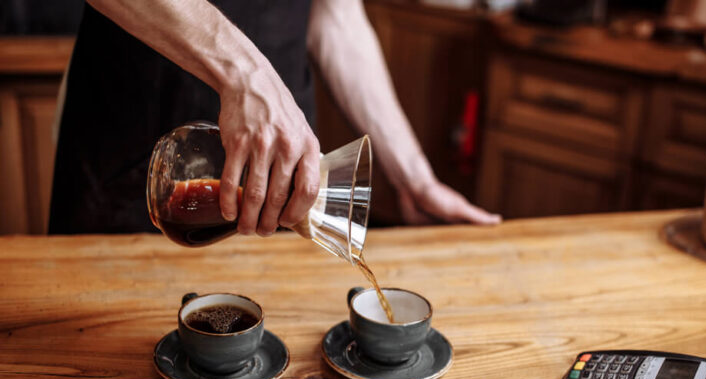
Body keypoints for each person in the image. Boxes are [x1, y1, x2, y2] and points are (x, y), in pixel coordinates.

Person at [49, 0, 500, 236]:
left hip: (278, 175)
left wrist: (414, 178)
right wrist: (244, 75)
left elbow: (337, 16)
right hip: (136, 157)